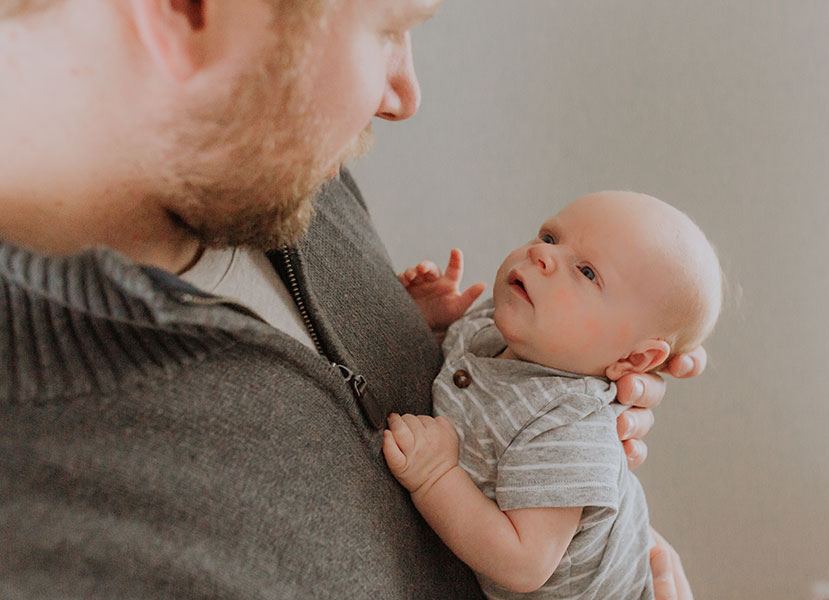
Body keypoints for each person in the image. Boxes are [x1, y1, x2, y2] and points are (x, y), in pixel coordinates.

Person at [0, 1, 700, 598]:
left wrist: (567, 391)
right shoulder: (56, 532)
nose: (404, 95)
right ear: (190, 9)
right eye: (388, 29)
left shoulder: (278, 175)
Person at [383, 191, 722, 598]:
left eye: (588, 272)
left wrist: (436, 476)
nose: (543, 257)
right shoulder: (492, 326)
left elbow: (525, 564)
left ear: (633, 358)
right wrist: (431, 325)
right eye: (549, 237)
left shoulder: (570, 425)